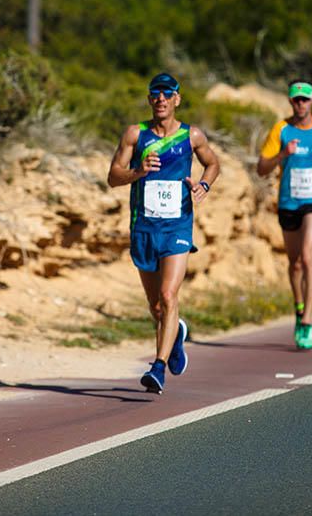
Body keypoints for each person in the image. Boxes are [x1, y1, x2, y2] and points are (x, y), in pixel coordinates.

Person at [107, 73, 220, 394]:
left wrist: (204, 185)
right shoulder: (135, 134)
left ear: (177, 99)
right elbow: (113, 177)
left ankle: (158, 367)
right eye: (155, 94)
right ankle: (176, 336)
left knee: (169, 296)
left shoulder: (191, 136)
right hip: (144, 227)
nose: (160, 99)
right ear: (149, 99)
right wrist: (138, 172)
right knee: (156, 307)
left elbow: (213, 164)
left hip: (177, 227)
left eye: (167, 94)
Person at [257, 80, 312, 350]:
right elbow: (262, 168)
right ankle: (298, 307)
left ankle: (307, 321)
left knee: (308, 255)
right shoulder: (281, 129)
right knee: (294, 263)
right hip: (289, 201)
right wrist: (283, 154)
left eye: (305, 99)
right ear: (290, 102)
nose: (301, 104)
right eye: (296, 100)